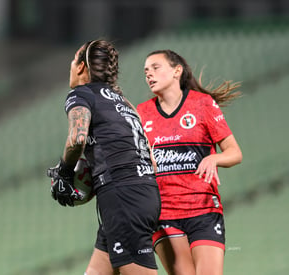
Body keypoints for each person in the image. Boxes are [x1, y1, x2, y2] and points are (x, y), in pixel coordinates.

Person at [47, 39, 161, 275]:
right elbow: (152, 161)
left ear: (80, 67)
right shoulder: (125, 103)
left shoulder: (81, 94)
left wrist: (65, 172)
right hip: (143, 193)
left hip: (123, 199)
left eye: (72, 62)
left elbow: (78, 138)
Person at [137, 49, 243, 275]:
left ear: (177, 71)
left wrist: (214, 158)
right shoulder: (142, 112)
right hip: (163, 213)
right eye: (146, 71)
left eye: (155, 68)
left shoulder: (202, 104)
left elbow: (234, 152)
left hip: (203, 209)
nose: (149, 74)